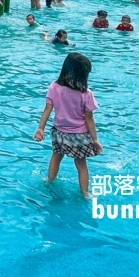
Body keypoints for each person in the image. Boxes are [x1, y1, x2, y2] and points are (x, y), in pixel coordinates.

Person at [32, 53, 102, 197]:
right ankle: (85, 193)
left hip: (59, 132)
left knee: (56, 157)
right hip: (79, 135)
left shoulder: (54, 87)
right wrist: (95, 140)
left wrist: (40, 128)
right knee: (81, 165)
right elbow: (89, 117)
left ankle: (49, 181)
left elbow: (48, 109)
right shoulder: (86, 93)